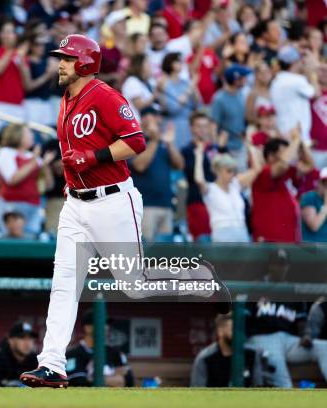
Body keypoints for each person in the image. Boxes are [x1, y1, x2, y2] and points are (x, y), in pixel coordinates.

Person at [20, 35, 226, 388]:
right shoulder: (66, 99)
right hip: (76, 204)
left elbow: (136, 140)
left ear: (84, 63)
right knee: (64, 284)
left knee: (134, 286)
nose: (60, 63)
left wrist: (94, 156)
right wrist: (73, 176)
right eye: (61, 58)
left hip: (112, 200)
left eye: (67, 58)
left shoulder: (104, 95)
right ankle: (52, 363)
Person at [246, 250, 327, 388]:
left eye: (283, 265)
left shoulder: (292, 290)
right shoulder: (256, 287)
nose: (280, 268)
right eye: (277, 264)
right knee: (284, 383)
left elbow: (302, 321)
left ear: (288, 267)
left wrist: (306, 335)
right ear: (269, 266)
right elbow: (244, 318)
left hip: (287, 341)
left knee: (324, 347)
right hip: (263, 338)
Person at [130, 108, 184, 242]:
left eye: (156, 124)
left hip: (166, 205)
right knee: (148, 253)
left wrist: (170, 143)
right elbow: (139, 165)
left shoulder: (163, 144)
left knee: (166, 256)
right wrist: (154, 141)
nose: (154, 128)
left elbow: (179, 165)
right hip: (146, 206)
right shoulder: (135, 143)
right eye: (149, 124)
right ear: (141, 123)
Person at [0, 124, 55, 235]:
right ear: (17, 135)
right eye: (28, 133)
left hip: (34, 206)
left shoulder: (33, 156)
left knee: (31, 241)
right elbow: (12, 179)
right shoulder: (5, 153)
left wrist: (45, 165)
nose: (32, 135)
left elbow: (48, 185)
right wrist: (33, 161)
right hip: (12, 206)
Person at [194, 148, 263, 242]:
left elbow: (257, 170)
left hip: (242, 231)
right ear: (218, 171)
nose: (232, 174)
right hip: (222, 234)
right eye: (229, 171)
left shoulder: (236, 185)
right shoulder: (210, 189)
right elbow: (199, 180)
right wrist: (199, 156)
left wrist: (252, 149)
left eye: (234, 171)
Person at [251, 135, 308, 243]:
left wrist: (300, 140)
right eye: (285, 152)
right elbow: (282, 164)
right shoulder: (263, 174)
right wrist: (295, 139)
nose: (289, 156)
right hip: (269, 242)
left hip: (289, 242)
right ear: (271, 156)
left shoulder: (286, 175)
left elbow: (309, 165)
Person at [182, 111, 227, 241]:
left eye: (205, 126)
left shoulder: (216, 148)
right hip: (198, 201)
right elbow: (191, 173)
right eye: (198, 126)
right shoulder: (187, 150)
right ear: (191, 128)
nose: (202, 130)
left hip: (218, 202)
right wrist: (200, 153)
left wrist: (220, 148)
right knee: (202, 242)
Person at [191, 313, 263, 387]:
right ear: (220, 332)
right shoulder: (205, 358)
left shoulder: (252, 354)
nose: (239, 334)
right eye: (234, 329)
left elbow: (258, 388)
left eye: (241, 329)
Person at [66, 310, 133, 387]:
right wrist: (113, 376)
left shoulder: (115, 353)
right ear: (88, 328)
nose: (106, 327)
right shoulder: (73, 354)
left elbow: (129, 381)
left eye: (107, 324)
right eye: (102, 323)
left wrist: (92, 378)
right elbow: (77, 382)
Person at [270, 46, 320, 145]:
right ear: (294, 62)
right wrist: (312, 73)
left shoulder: (275, 81)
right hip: (297, 136)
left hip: (283, 133)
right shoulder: (297, 80)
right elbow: (316, 94)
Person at [211, 64, 251, 169]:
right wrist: (217, 148)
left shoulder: (242, 95)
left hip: (241, 146)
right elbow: (213, 125)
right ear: (236, 80)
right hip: (226, 148)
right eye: (243, 77)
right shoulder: (219, 99)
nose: (246, 80)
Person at [158, 52, 198, 149]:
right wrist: (190, 89)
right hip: (173, 126)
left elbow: (197, 105)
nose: (181, 64)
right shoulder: (164, 83)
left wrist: (194, 86)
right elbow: (173, 108)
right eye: (178, 61)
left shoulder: (185, 82)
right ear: (170, 64)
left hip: (188, 126)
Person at [121, 54, 156, 121]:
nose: (150, 66)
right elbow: (139, 105)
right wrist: (154, 96)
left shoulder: (148, 82)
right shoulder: (132, 81)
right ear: (140, 66)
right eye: (148, 63)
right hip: (135, 124)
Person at [300, 167, 327, 242]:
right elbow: (314, 226)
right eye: (324, 183)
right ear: (319, 183)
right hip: (312, 247)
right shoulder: (310, 197)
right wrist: (326, 206)